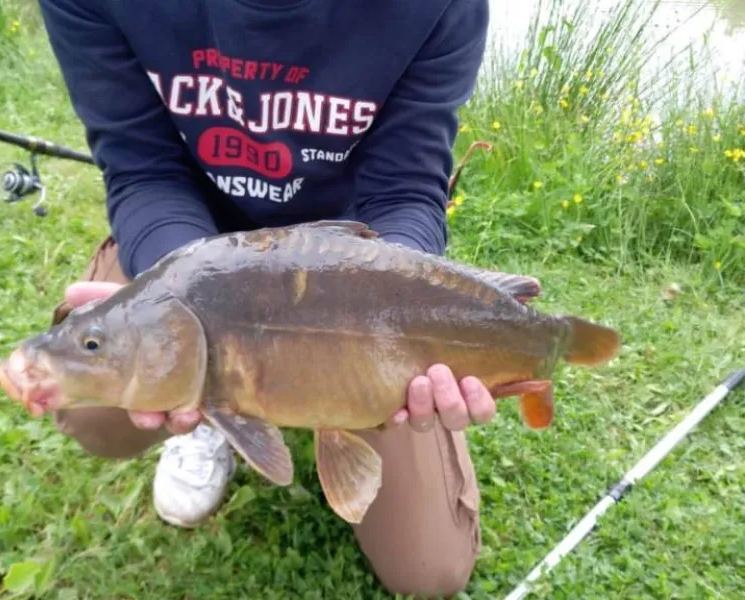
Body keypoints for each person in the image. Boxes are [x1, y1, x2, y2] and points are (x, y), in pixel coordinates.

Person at [34, 0, 493, 596]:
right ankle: (208, 397)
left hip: (351, 268)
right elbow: (145, 170)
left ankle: (319, 393)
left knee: (429, 571)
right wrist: (182, 303)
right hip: (190, 251)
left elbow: (405, 191)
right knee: (92, 409)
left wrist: (392, 309)